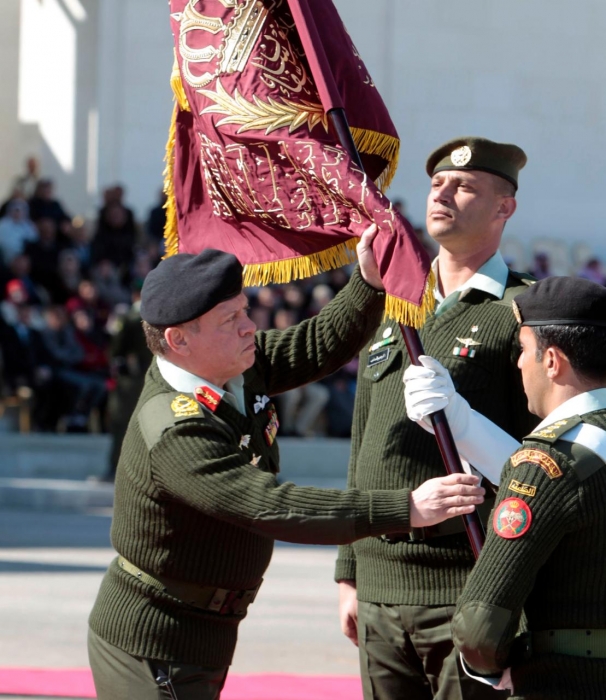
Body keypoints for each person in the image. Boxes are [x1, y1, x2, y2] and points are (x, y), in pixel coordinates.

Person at [87, 226, 486, 700]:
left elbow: (314, 344)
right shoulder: (175, 428)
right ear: (179, 340)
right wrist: (406, 508)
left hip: (200, 630)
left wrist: (368, 282)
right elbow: (269, 506)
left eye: (244, 311)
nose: (248, 326)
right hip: (152, 640)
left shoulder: (227, 366)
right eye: (229, 319)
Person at [336, 137, 537, 700]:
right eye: (436, 184)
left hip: (467, 581)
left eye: (464, 186)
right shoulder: (394, 304)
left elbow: (539, 460)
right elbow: (363, 441)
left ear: (504, 207)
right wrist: (349, 572)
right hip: (379, 586)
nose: (442, 194)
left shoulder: (522, 310)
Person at [446, 276, 606, 698]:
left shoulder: (548, 462)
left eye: (522, 349)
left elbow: (480, 625)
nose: (519, 363)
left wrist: (492, 666)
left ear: (552, 361)